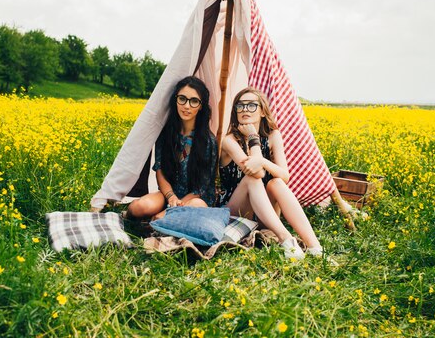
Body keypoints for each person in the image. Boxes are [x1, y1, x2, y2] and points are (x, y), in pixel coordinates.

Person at [218, 87, 326, 261]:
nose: (245, 110)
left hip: (265, 215)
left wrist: (263, 160)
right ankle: (286, 240)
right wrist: (253, 137)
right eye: (240, 106)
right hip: (236, 212)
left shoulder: (273, 136)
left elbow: (284, 175)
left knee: (276, 183)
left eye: (251, 105)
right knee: (252, 180)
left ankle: (315, 247)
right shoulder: (229, 140)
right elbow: (257, 172)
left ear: (262, 111)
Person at [126, 76, 217, 220]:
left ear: (201, 106)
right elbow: (160, 169)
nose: (186, 106)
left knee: (175, 213)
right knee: (138, 208)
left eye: (194, 101)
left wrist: (178, 204)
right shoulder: (166, 133)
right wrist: (171, 197)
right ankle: (161, 220)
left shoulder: (208, 141)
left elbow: (202, 187)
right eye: (182, 98)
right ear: (176, 100)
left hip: (195, 199)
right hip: (168, 194)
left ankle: (161, 220)